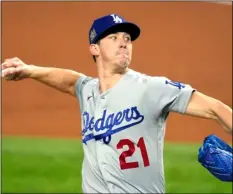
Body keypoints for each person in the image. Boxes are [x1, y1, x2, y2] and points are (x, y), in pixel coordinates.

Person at [1, 13, 232, 193]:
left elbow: (216, 109)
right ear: (94, 48)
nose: (123, 43)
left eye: (127, 39)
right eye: (113, 38)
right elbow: (71, 81)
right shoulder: (87, 90)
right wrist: (30, 70)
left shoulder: (150, 87)